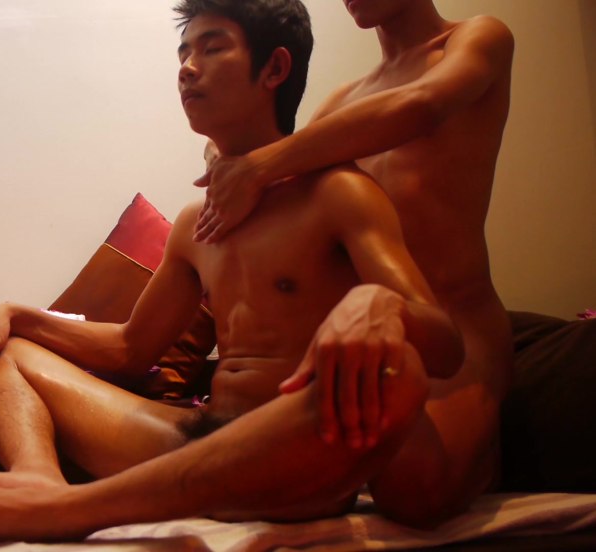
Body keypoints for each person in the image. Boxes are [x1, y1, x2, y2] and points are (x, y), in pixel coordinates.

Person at [0, 1, 466, 546]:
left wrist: (385, 308)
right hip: (199, 437)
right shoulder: (196, 223)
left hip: (297, 452)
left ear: (274, 69)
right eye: (184, 53)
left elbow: (444, 346)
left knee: (402, 373)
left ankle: (69, 512)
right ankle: (38, 482)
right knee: (1, 351)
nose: (188, 68)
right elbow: (129, 349)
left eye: (212, 48)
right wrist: (14, 315)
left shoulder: (339, 193)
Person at [192, 0, 515, 525]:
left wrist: (257, 167)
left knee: (413, 491)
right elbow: (273, 164)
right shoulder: (344, 102)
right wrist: (226, 162)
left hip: (454, 332)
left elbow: (422, 105)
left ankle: (484, 449)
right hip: (364, 343)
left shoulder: (478, 37)